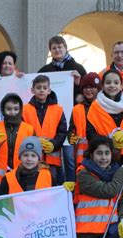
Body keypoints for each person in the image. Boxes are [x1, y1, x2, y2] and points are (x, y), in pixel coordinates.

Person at [38, 35, 87, 184]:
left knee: (70, 158)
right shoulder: (45, 70)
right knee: (54, 160)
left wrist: (79, 83)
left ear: (66, 48)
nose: (57, 50)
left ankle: (72, 188)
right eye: (54, 48)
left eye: (60, 47)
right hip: (51, 120)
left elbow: (88, 91)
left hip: (72, 119)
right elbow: (33, 83)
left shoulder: (78, 68)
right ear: (50, 51)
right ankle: (58, 187)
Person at [0, 93, 35, 196]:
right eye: (8, 109)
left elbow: (35, 154)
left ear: (20, 110)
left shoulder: (29, 129)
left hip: (21, 175)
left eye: (16, 109)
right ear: (3, 110)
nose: (12, 112)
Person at [86, 69, 123, 163]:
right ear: (103, 86)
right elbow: (90, 134)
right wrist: (109, 142)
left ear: (121, 86)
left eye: (116, 83)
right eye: (108, 82)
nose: (112, 85)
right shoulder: (95, 106)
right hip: (102, 159)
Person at [22, 75, 67, 185]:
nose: (41, 90)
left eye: (44, 87)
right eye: (38, 87)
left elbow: (62, 132)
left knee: (51, 186)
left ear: (49, 90)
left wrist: (53, 144)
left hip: (52, 159)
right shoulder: (25, 109)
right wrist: (34, 142)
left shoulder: (58, 109)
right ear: (33, 90)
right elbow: (22, 131)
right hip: (30, 158)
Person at [69, 72, 102, 167]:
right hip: (81, 157)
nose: (88, 90)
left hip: (101, 154)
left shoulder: (104, 107)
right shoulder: (77, 108)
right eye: (85, 87)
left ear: (98, 89)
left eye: (92, 87)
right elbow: (72, 128)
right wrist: (71, 136)